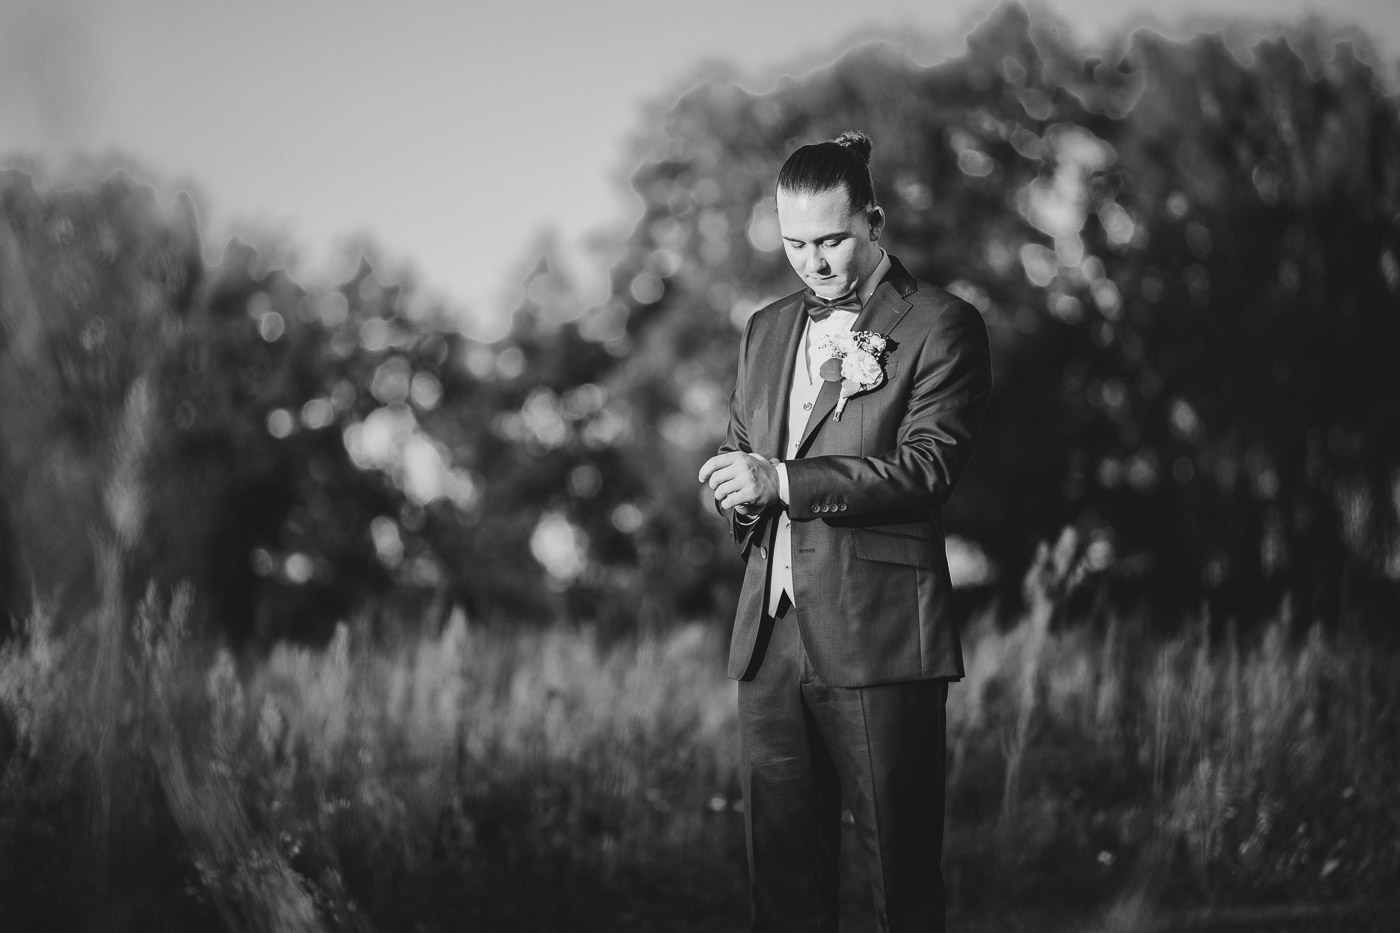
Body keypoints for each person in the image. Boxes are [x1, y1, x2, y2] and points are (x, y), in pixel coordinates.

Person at [697, 131, 991, 932]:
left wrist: (782, 481)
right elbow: (743, 449)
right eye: (795, 244)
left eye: (830, 240)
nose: (813, 262)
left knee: (900, 885)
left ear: (874, 221)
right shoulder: (763, 329)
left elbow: (926, 468)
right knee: (782, 894)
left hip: (882, 633)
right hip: (770, 641)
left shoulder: (942, 324)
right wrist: (735, 488)